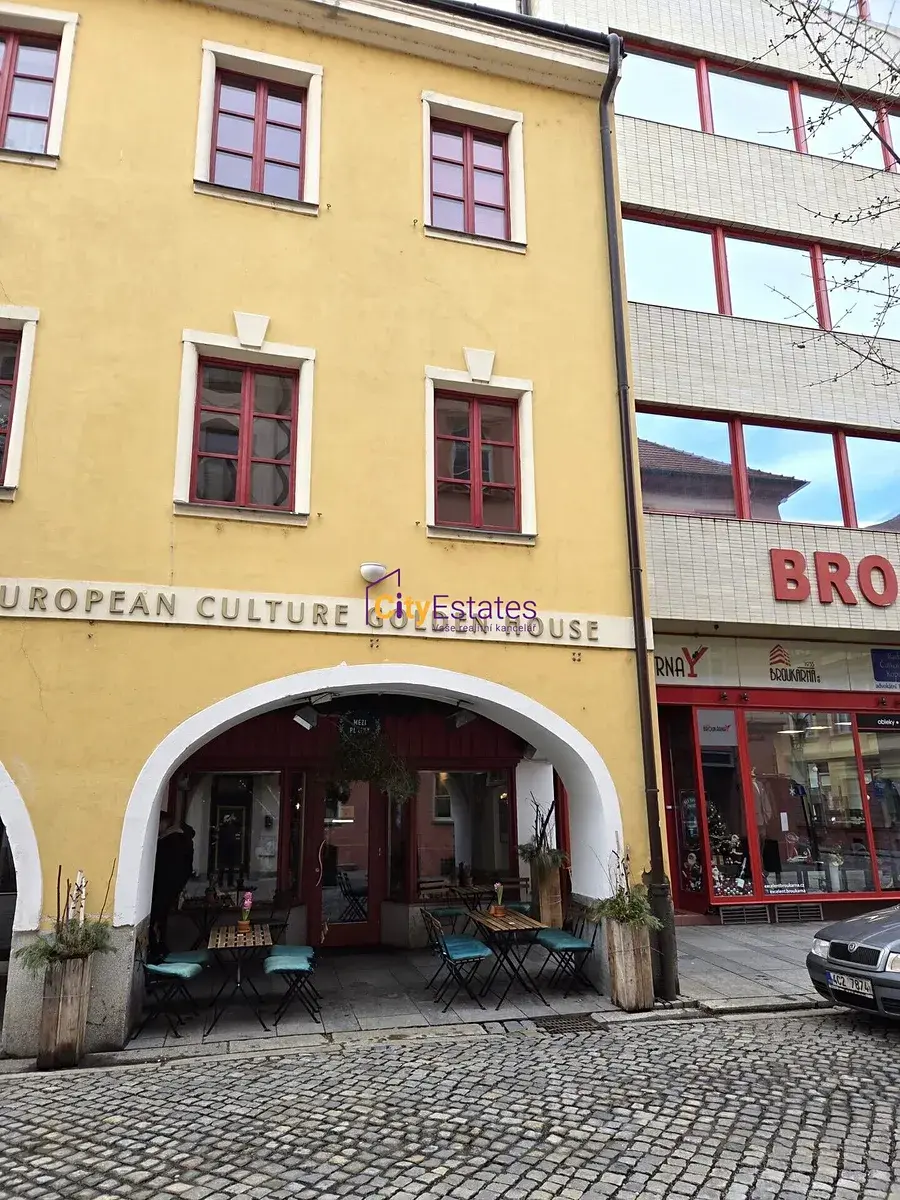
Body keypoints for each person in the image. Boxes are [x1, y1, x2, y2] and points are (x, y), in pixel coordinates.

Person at [149, 813, 194, 960]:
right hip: (171, 887)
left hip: (162, 887)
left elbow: (160, 866)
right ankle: (161, 950)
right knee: (161, 920)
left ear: (165, 823)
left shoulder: (168, 842)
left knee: (157, 920)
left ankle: (157, 952)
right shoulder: (182, 840)